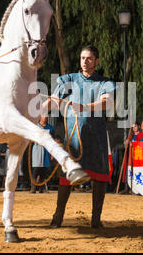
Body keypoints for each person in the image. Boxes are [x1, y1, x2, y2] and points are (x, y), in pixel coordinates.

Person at [43, 45, 116, 228]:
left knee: (99, 178)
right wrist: (40, 111)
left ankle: (96, 218)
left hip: (96, 137)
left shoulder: (105, 82)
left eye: (89, 58)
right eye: (83, 58)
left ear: (97, 61)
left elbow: (106, 102)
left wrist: (84, 107)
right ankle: (57, 216)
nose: (85, 61)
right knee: (66, 177)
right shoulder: (68, 80)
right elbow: (53, 100)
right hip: (73, 138)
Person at [30, 116, 54, 194]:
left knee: (44, 170)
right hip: (37, 149)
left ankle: (42, 188)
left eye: (46, 115)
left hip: (46, 150)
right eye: (43, 115)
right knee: (36, 169)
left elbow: (52, 140)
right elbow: (30, 138)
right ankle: (33, 188)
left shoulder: (50, 127)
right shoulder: (35, 127)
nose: (45, 117)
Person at [119, 122, 140, 194]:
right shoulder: (131, 135)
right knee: (128, 171)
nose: (134, 128)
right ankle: (126, 188)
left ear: (138, 127)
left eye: (135, 126)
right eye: (133, 127)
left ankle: (135, 189)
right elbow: (126, 145)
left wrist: (134, 144)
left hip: (138, 157)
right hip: (130, 157)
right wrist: (127, 142)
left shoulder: (140, 135)